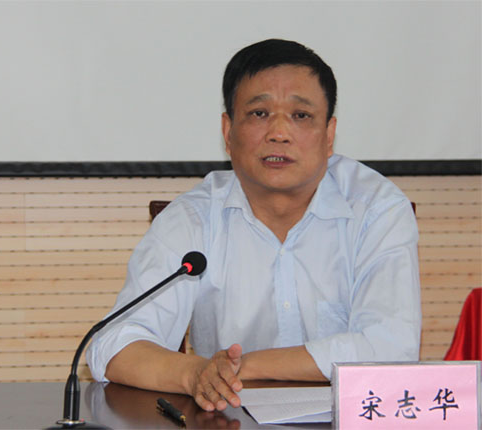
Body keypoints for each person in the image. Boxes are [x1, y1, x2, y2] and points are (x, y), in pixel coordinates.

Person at [86, 39, 421, 412]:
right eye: (260, 113)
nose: (279, 133)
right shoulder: (193, 218)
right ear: (228, 132)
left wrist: (240, 367)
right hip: (230, 420)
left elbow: (392, 347)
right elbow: (111, 346)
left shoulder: (376, 210)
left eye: (301, 115)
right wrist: (195, 374)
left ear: (329, 136)